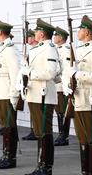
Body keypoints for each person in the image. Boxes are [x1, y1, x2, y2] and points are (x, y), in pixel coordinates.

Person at [63, 15, 92, 175]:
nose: (78, 31)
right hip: (79, 101)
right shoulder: (79, 49)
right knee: (83, 140)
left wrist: (76, 74)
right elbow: (67, 72)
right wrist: (67, 85)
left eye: (81, 29)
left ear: (87, 32)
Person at [19, 19, 59, 175]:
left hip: (44, 95)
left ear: (42, 34)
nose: (34, 33)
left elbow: (50, 73)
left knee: (44, 131)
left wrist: (30, 73)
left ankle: (46, 166)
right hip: (34, 94)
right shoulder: (37, 49)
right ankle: (40, 165)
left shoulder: (49, 49)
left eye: (36, 31)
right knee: (39, 131)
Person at [0, 19, 20, 170]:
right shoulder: (3, 48)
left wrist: (14, 95)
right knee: (5, 126)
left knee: (9, 126)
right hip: (0, 93)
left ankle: (10, 157)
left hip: (7, 94)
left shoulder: (10, 50)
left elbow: (15, 74)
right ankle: (5, 155)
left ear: (0, 32)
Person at [53, 27, 71, 146]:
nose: (54, 37)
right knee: (58, 110)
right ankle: (61, 133)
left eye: (56, 35)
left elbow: (65, 69)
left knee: (63, 111)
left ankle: (64, 135)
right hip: (55, 85)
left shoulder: (66, 50)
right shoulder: (55, 49)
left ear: (61, 38)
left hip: (62, 85)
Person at [23, 29, 40, 141]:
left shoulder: (39, 50)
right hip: (31, 83)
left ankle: (36, 130)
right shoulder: (31, 50)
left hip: (38, 84)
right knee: (32, 110)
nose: (27, 39)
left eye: (29, 37)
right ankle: (33, 130)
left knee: (37, 111)